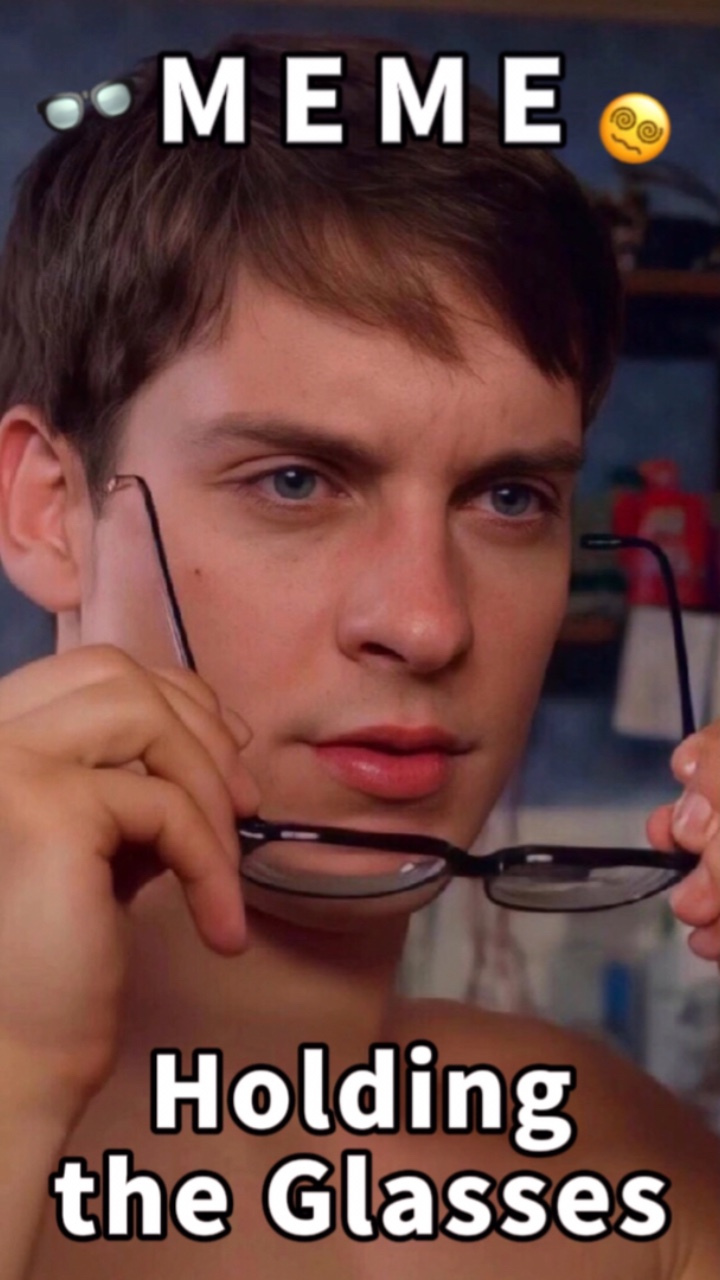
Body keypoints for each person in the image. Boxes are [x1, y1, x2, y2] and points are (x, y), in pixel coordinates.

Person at [0, 30, 718, 1280]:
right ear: (51, 511)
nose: (429, 624)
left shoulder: (627, 1170)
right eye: (295, 480)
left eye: (508, 498)